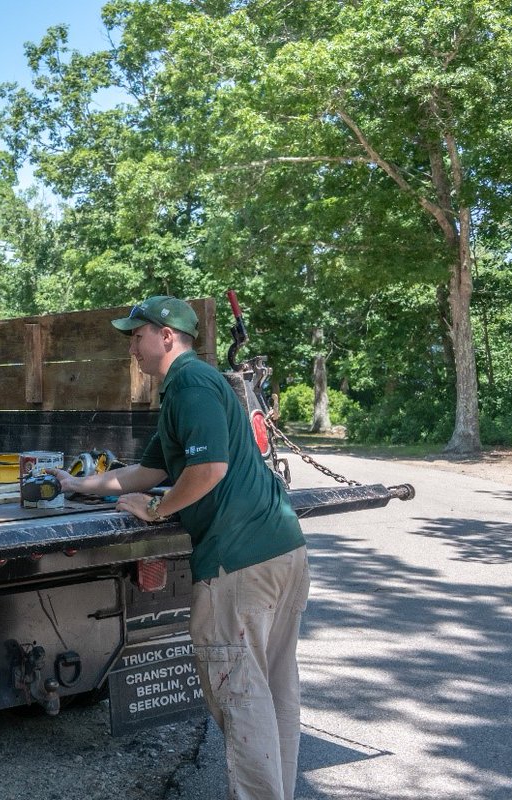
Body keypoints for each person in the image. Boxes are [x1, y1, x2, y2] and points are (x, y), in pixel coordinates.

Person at [50, 296, 310, 800]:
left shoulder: (189, 383)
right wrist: (79, 484)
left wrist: (156, 510)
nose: (132, 348)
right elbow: (147, 471)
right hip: (282, 550)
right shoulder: (191, 387)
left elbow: (208, 469)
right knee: (274, 689)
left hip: (239, 563)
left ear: (166, 336)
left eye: (137, 336)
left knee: (242, 699)